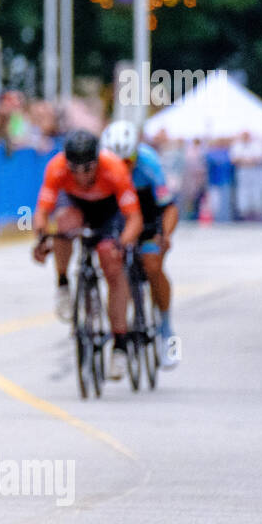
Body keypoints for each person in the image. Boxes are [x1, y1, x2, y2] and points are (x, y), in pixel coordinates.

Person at [31, 129, 144, 380]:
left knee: (110, 259)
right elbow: (42, 212)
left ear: (97, 161)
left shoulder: (114, 168)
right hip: (78, 207)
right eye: (76, 170)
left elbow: (134, 218)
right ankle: (63, 284)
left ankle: (120, 346)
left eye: (88, 169)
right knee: (62, 225)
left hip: (109, 212)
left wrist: (123, 243)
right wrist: (40, 238)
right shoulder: (57, 167)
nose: (82, 175)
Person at [101, 120, 179, 366]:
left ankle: (167, 328)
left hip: (147, 215)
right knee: (113, 266)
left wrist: (164, 236)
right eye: (119, 162)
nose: (124, 166)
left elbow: (168, 207)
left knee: (153, 265)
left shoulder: (149, 163)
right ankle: (119, 328)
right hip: (118, 215)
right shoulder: (101, 165)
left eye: (128, 160)